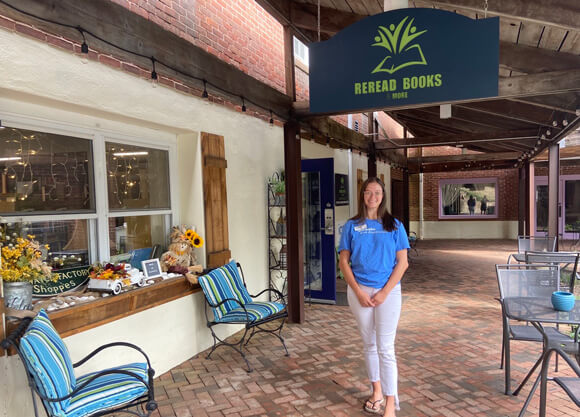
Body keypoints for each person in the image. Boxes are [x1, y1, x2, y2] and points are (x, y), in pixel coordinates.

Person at [338, 177, 410, 417]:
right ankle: (376, 391)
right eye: (368, 192)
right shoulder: (351, 226)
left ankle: (391, 402)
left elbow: (402, 263)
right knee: (369, 344)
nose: (372, 197)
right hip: (359, 292)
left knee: (385, 348)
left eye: (377, 192)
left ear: (383, 195)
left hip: (388, 292)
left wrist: (384, 292)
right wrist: (358, 292)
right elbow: (343, 262)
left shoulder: (395, 225)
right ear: (362, 196)